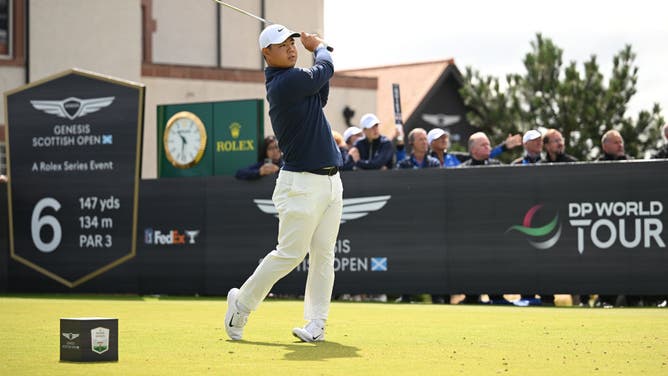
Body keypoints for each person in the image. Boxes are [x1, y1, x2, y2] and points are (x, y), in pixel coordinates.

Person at [225, 24, 343, 343]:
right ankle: (242, 304)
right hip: (301, 184)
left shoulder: (297, 79)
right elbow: (324, 70)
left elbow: (322, 85)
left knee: (323, 255)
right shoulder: (283, 83)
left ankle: (316, 322)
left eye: (292, 42)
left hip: (332, 182)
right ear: (267, 54)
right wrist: (318, 47)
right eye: (282, 44)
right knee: (289, 254)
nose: (291, 47)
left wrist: (317, 54)